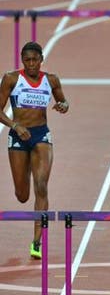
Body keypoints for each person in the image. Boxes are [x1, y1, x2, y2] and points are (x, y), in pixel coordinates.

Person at [0, 41, 69, 259]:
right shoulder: (11, 79)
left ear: (41, 59)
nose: (31, 64)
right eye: (27, 60)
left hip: (40, 136)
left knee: (42, 185)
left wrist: (63, 106)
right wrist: (15, 125)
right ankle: (27, 168)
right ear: (22, 60)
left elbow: (63, 102)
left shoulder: (51, 80)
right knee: (22, 195)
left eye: (35, 60)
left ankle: (37, 242)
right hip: (18, 137)